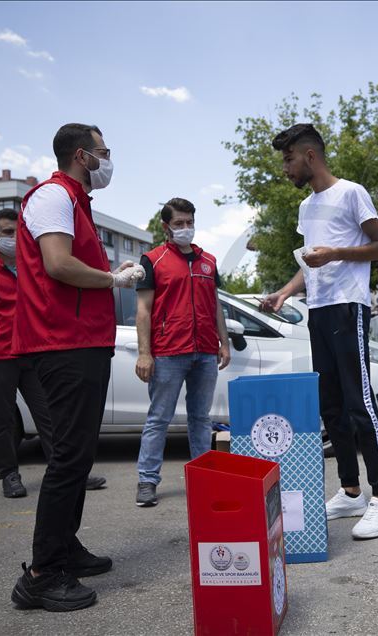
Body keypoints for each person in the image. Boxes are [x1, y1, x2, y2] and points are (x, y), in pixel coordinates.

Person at [9, 123, 145, 612]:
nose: (110, 160)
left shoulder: (77, 203)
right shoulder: (52, 196)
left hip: (82, 342)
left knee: (80, 453)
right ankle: (42, 574)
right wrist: (113, 279)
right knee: (68, 457)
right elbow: (58, 265)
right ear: (83, 156)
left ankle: (65, 548)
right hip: (60, 343)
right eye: (105, 151)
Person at [261, 123, 378, 540]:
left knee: (360, 403)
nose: (285, 169)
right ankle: (352, 490)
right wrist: (285, 292)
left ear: (310, 156)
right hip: (318, 311)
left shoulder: (352, 192)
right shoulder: (306, 208)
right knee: (332, 405)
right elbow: (310, 262)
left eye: (288, 160)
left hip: (348, 308)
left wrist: (336, 252)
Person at [0, 208, 106, 498]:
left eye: (18, 231)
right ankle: (9, 476)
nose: (14, 237)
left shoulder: (33, 266)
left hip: (33, 352)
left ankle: (68, 473)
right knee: (2, 421)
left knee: (51, 417)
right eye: (7, 232)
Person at [133, 197, 231, 507]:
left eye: (189, 223)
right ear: (166, 227)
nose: (185, 228)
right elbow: (143, 310)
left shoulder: (208, 261)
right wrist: (144, 353)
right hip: (168, 352)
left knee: (200, 419)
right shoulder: (152, 260)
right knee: (158, 419)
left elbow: (215, 305)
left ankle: (202, 478)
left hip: (204, 351)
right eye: (179, 224)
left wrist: (223, 342)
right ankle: (147, 481)